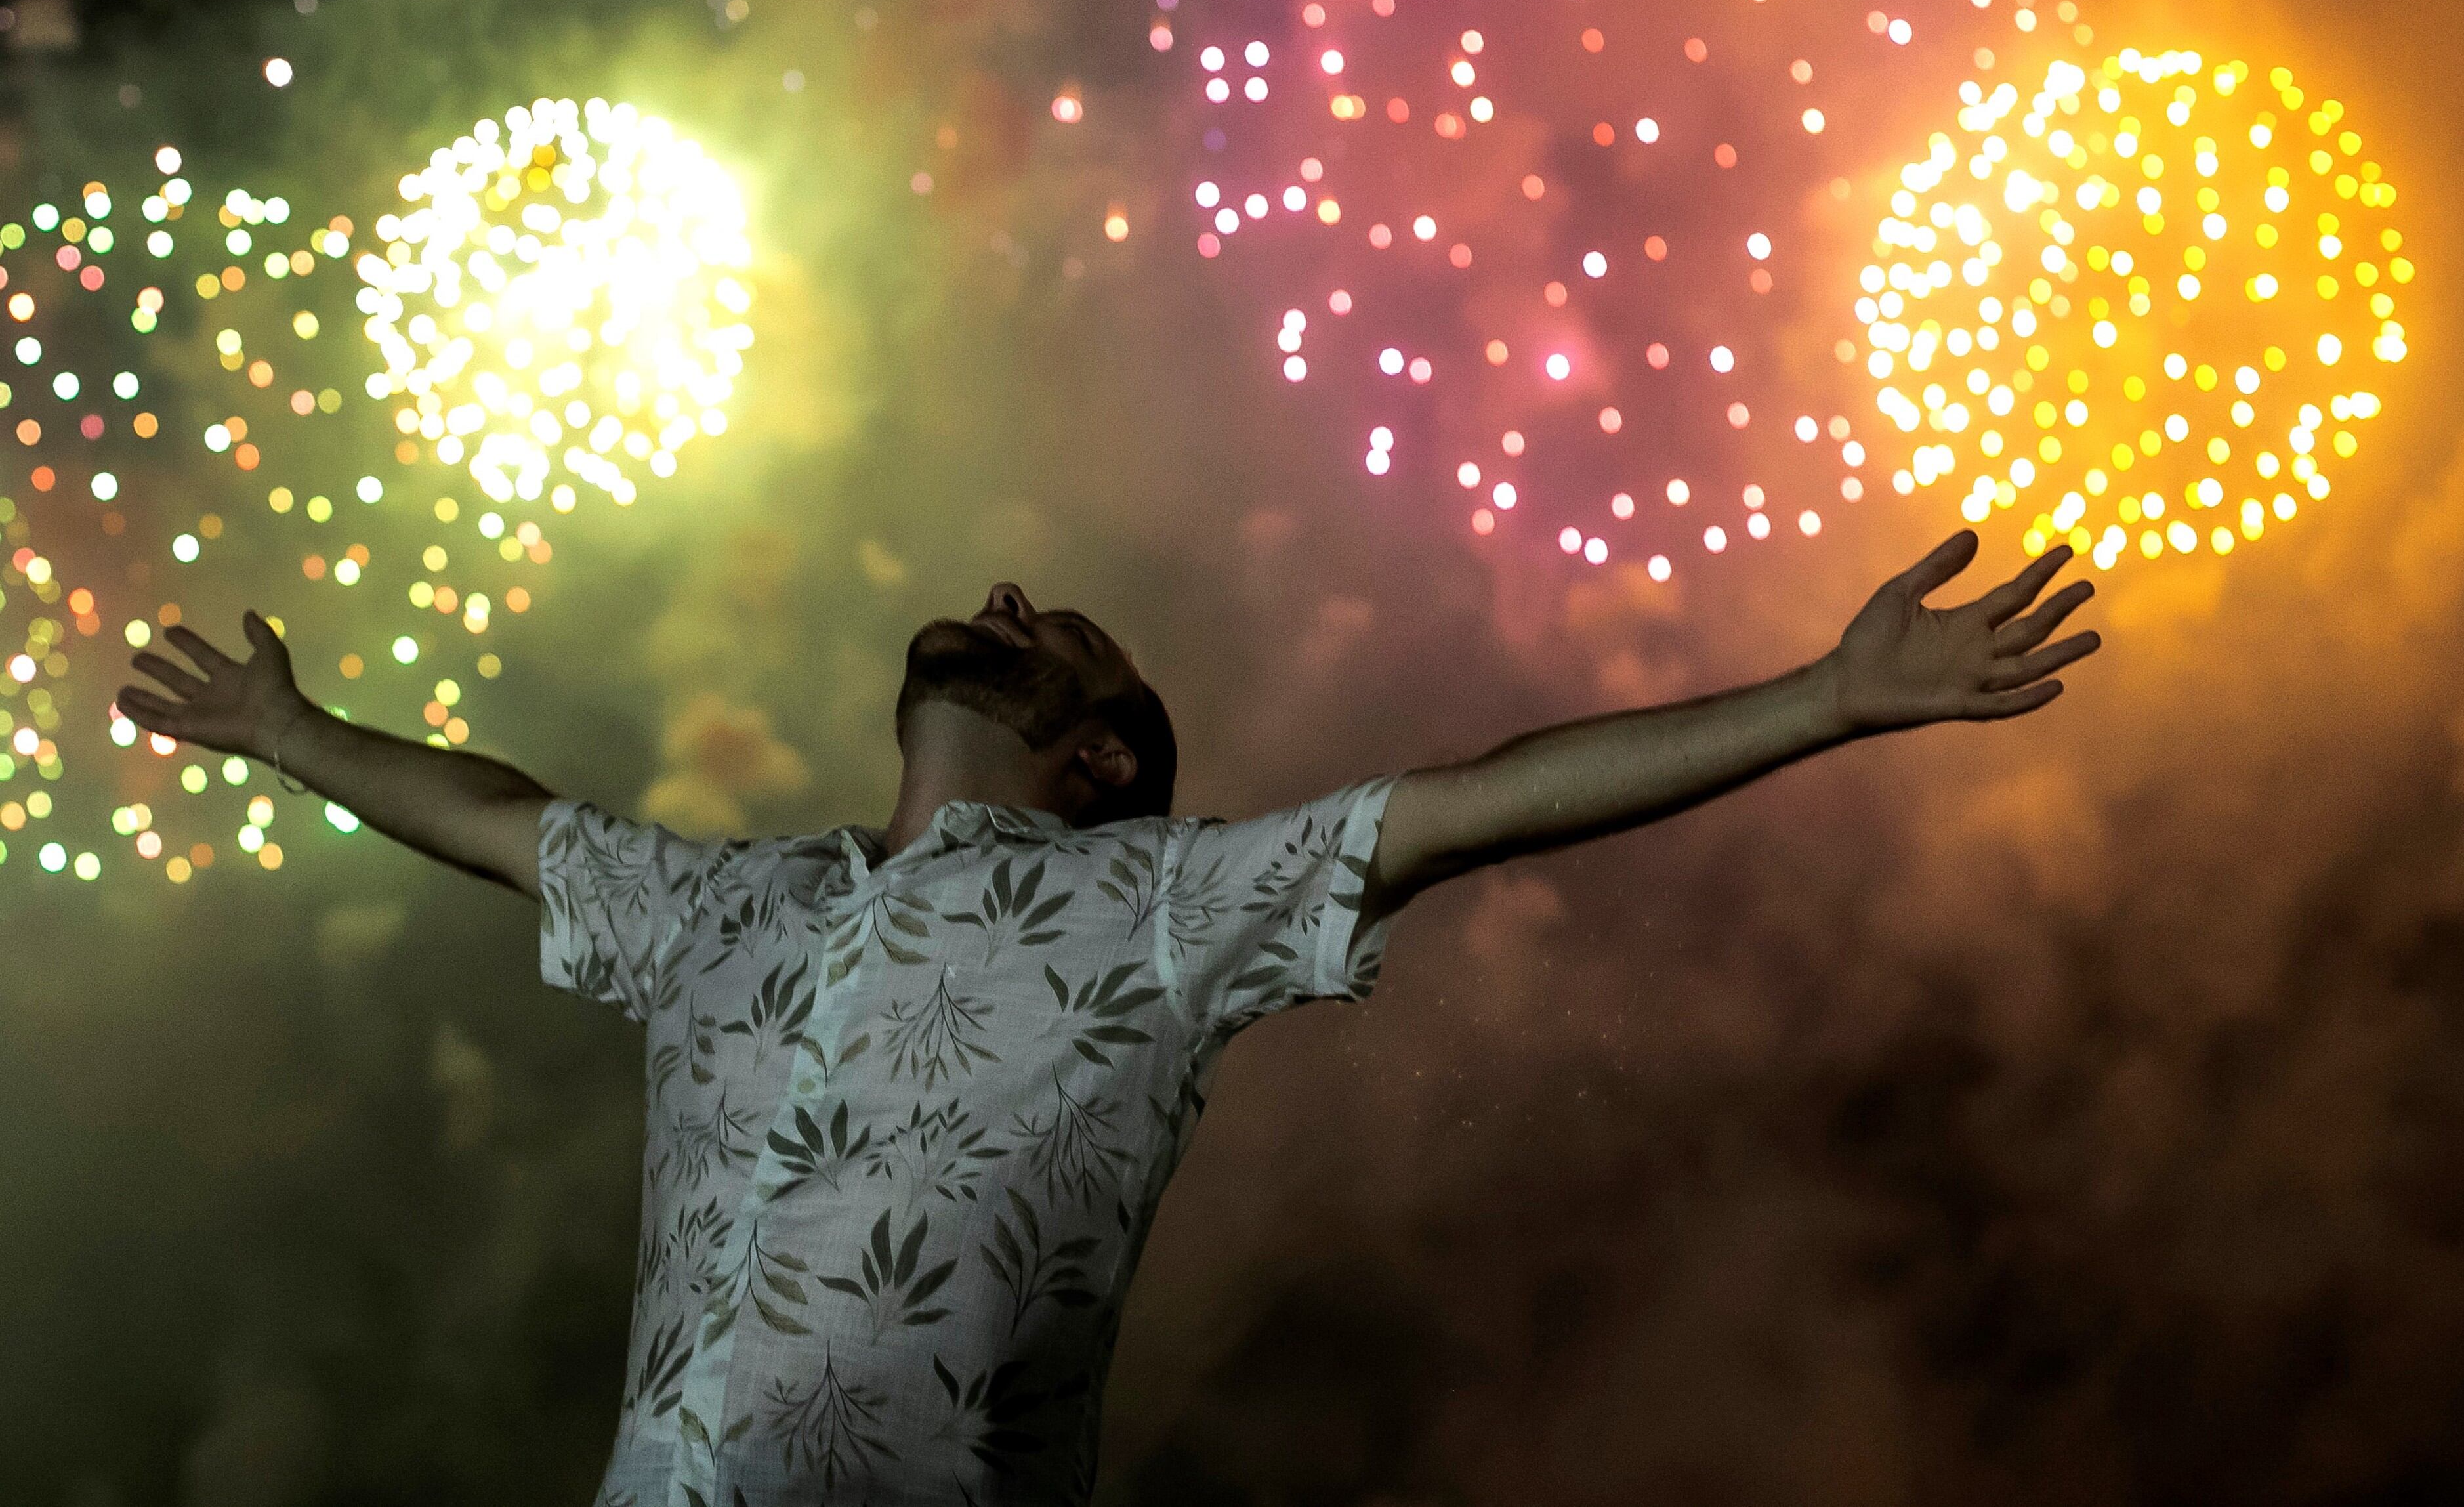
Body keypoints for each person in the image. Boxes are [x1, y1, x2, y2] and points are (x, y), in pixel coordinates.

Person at [117, 528, 2099, 1506]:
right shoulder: (731, 904)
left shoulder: (1158, 905)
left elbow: (1487, 789)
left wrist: (1823, 704)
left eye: (1059, 642)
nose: (1004, 592)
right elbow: (493, 812)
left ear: (1092, 761)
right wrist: (292, 735)